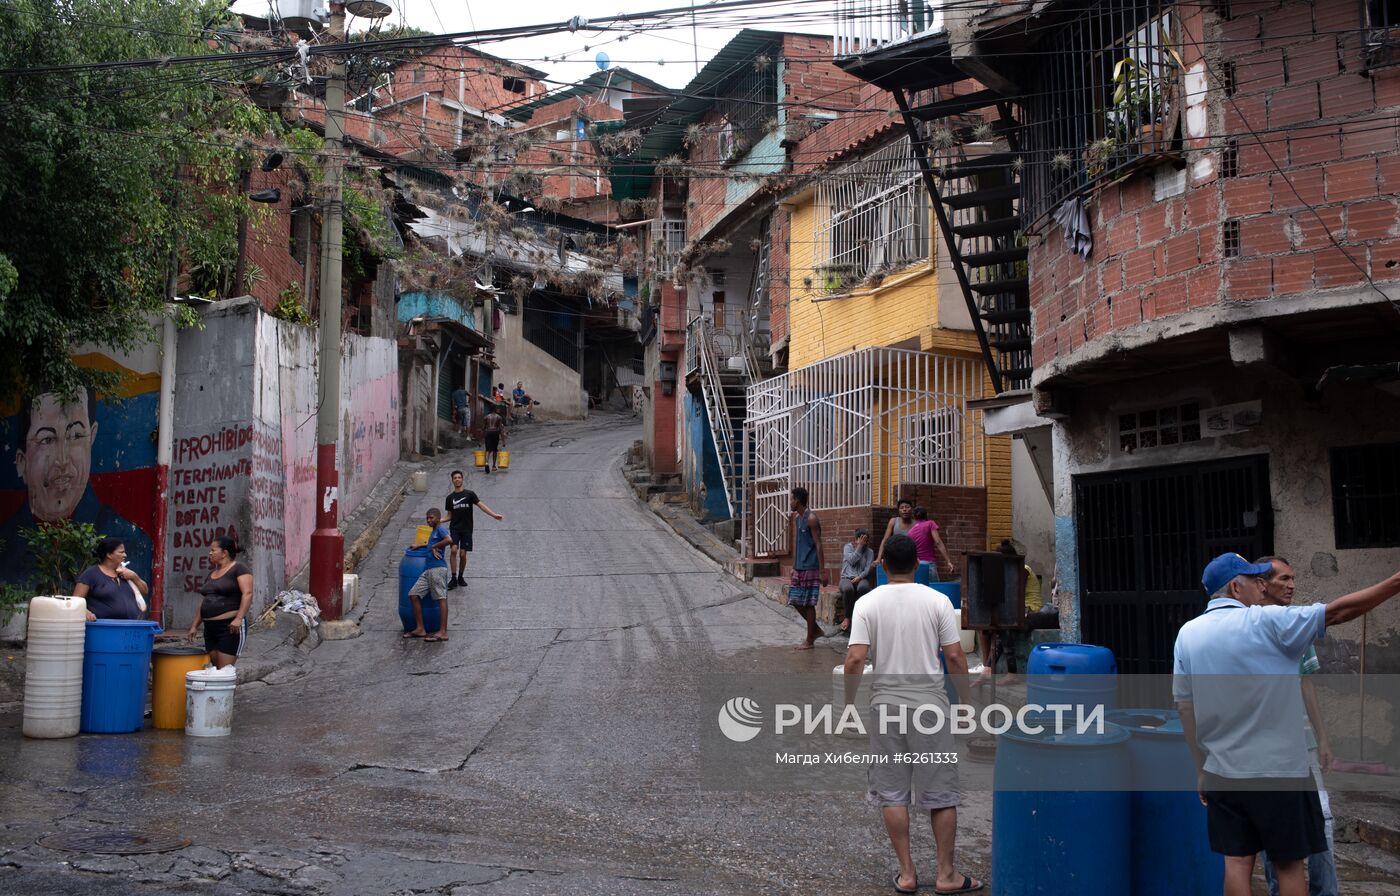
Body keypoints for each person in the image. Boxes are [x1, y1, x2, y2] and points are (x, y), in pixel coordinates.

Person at [1174, 553, 1400, 896]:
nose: (1262, 587)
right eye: (1255, 580)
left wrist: (1201, 768)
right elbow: (1338, 612)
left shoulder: (1187, 635)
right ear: (1237, 587)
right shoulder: (1267, 622)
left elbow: (1184, 708)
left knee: (1236, 864)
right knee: (1290, 865)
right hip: (1280, 772)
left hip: (1222, 771)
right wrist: (1395, 583)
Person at [844, 534, 981, 896]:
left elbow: (855, 659)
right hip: (931, 709)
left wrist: (847, 705)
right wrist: (966, 703)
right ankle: (946, 875)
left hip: (885, 708)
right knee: (941, 793)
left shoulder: (867, 603)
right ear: (917, 565)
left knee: (892, 793)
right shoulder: (937, 601)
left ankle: (907, 874)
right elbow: (955, 657)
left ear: (883, 565)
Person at [0, 387, 152, 583]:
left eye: (76, 436)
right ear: (21, 462)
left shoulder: (133, 542)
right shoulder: (7, 543)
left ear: (93, 436)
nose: (62, 460)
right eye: (47, 439)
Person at [1256, 556, 1338, 896]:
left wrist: (1322, 737)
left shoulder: (1298, 625)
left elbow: (1306, 684)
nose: (1292, 585)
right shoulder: (1249, 626)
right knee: (1273, 829)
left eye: (1293, 579)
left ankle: (1326, 891)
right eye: (1284, 579)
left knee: (1323, 819)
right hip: (1263, 748)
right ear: (1263, 584)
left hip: (1300, 744)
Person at [185, 536, 253, 669]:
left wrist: (239, 618)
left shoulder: (240, 568)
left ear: (224, 553)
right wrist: (194, 626)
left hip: (230, 628)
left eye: (213, 550)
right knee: (217, 669)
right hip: (210, 629)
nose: (210, 553)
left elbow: (248, 593)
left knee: (224, 671)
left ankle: (229, 691)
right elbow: (205, 600)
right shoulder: (212, 574)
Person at [444, 470, 504, 590]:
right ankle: (453, 578)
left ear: (462, 479)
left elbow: (481, 506)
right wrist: (437, 520)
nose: (457, 479)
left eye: (459, 477)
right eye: (455, 478)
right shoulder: (450, 498)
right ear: (452, 481)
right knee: (454, 550)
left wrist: (494, 515)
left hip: (467, 529)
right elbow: (449, 516)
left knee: (462, 554)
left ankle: (461, 576)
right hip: (455, 528)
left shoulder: (470, 494)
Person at [787, 486, 830, 650]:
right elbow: (798, 543)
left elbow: (818, 544)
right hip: (799, 568)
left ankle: (809, 640)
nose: (790, 502)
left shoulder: (812, 518)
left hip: (811, 568)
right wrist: (793, 566)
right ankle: (816, 630)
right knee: (795, 600)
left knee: (808, 604)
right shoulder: (797, 518)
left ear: (797, 500)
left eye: (791, 499)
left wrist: (822, 571)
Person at [404, 508, 453, 642]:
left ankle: (443, 632)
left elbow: (449, 540)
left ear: (438, 518)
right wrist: (419, 546)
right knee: (413, 595)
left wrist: (434, 546)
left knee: (441, 598)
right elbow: (430, 545)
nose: (429, 520)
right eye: (427, 518)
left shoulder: (441, 529)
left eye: (431, 518)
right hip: (428, 570)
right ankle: (420, 629)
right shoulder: (433, 532)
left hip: (438, 569)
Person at [73, 537, 148, 620]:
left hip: (129, 627)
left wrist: (134, 576)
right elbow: (76, 601)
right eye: (121, 552)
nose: (125, 555)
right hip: (103, 628)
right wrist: (86, 612)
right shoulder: (91, 574)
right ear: (109, 555)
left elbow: (145, 591)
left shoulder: (127, 573)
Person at [838, 528, 875, 635]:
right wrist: (859, 547)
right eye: (862, 539)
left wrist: (860, 577)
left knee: (863, 588)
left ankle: (860, 617)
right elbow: (852, 561)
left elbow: (868, 568)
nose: (865, 542)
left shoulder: (869, 551)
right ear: (856, 539)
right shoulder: (848, 547)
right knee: (848, 589)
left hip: (861, 578)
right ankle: (848, 617)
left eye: (866, 540)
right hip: (846, 578)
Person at [908, 506, 955, 581]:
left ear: (914, 517)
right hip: (928, 564)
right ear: (926, 514)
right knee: (933, 589)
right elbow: (938, 542)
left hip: (916, 566)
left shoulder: (910, 531)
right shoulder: (930, 524)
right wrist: (948, 561)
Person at [874, 498, 916, 571]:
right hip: (895, 557)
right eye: (902, 508)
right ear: (898, 511)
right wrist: (878, 558)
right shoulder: (894, 521)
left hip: (911, 558)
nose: (904, 509)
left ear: (911, 509)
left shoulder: (917, 524)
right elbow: (885, 540)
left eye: (907, 507)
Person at [482, 406, 506, 473]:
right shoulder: (499, 417)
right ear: (495, 410)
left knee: (488, 450)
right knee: (495, 450)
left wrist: (481, 438)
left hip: (488, 432)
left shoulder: (486, 417)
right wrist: (503, 441)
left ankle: (486, 462)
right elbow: (501, 429)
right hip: (495, 433)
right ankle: (493, 466)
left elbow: (483, 428)